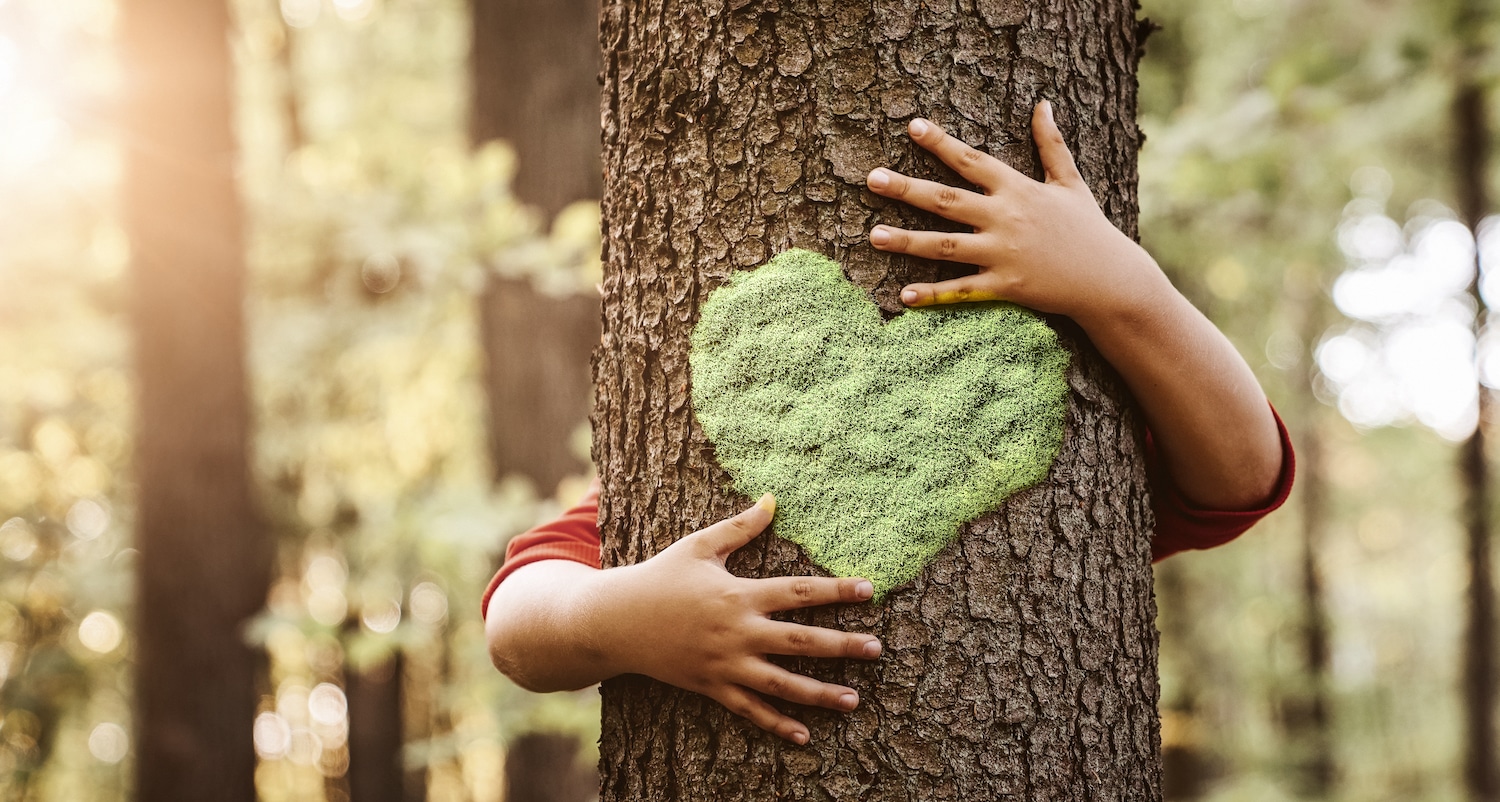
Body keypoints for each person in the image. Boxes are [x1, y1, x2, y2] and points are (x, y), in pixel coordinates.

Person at [482, 100, 1295, 747]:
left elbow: (1244, 475)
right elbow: (518, 622)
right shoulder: (694, 470)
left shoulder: (1085, 435)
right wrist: (622, 620)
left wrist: (1121, 285)